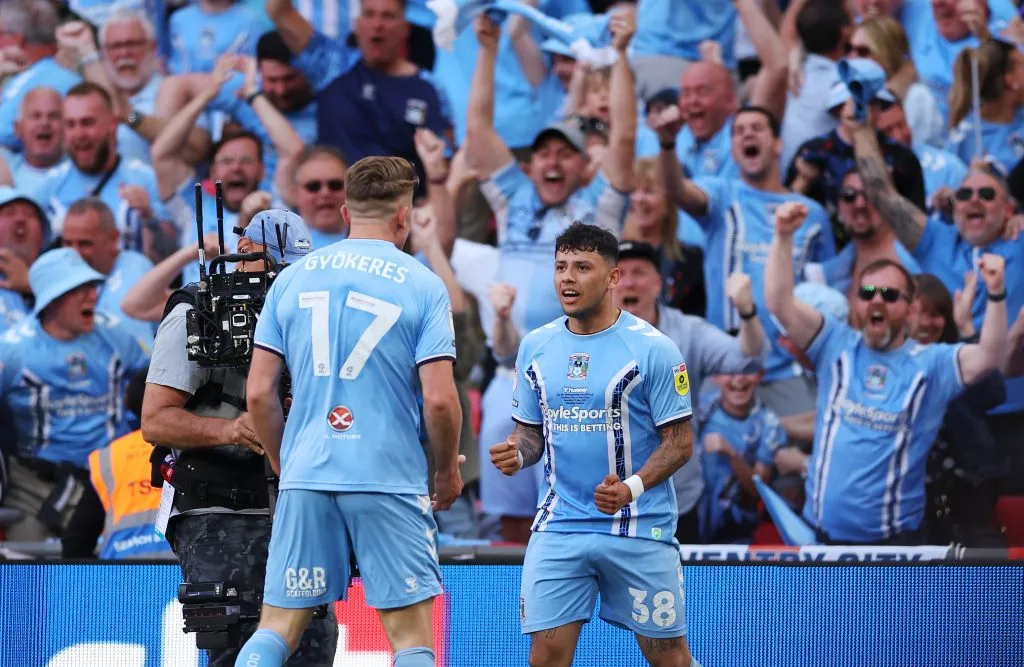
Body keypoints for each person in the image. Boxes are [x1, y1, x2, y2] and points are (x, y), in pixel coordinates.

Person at [235, 157, 463, 667]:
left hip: (308, 472)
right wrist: (446, 471)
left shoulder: (291, 280)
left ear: (344, 212)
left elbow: (259, 394)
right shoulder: (423, 284)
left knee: (276, 629)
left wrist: (284, 460)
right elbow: (441, 399)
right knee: (410, 639)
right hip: (387, 475)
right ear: (403, 217)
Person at [490, 222, 701, 667]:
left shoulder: (655, 349)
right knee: (545, 657)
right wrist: (517, 452)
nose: (568, 277)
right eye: (561, 266)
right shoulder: (535, 346)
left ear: (612, 278)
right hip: (559, 527)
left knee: (671, 660)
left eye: (583, 267)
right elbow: (530, 434)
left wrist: (632, 488)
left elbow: (680, 443)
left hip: (639, 527)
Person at [141, 210, 336, 667]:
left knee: (314, 646)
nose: (282, 280)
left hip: (296, 506)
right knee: (235, 649)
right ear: (243, 255)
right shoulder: (197, 310)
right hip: (218, 505)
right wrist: (230, 428)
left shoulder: (313, 317)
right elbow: (155, 420)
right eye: (273, 266)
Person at [764, 200, 1009, 545]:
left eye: (889, 294)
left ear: (909, 310)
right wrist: (783, 235)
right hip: (819, 538)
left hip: (891, 548)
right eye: (867, 292)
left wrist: (996, 294)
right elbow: (779, 302)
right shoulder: (835, 343)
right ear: (856, 302)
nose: (876, 300)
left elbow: (990, 355)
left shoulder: (931, 364)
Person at [614, 240, 764, 544]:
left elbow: (749, 359)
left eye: (640, 272)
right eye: (620, 273)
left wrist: (747, 312)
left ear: (658, 283)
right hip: (610, 501)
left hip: (675, 501)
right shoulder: (584, 334)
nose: (629, 281)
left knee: (677, 591)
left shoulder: (689, 332)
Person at [0, 248, 150, 542]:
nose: (92, 296)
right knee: (23, 566)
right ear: (53, 299)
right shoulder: (12, 350)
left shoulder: (115, 334)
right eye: (79, 290)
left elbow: (160, 374)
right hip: (33, 486)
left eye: (92, 287)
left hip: (107, 479)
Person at [62, 368, 176, 559]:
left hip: (120, 577)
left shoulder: (109, 457)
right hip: (185, 570)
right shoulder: (195, 447)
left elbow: (75, 543)